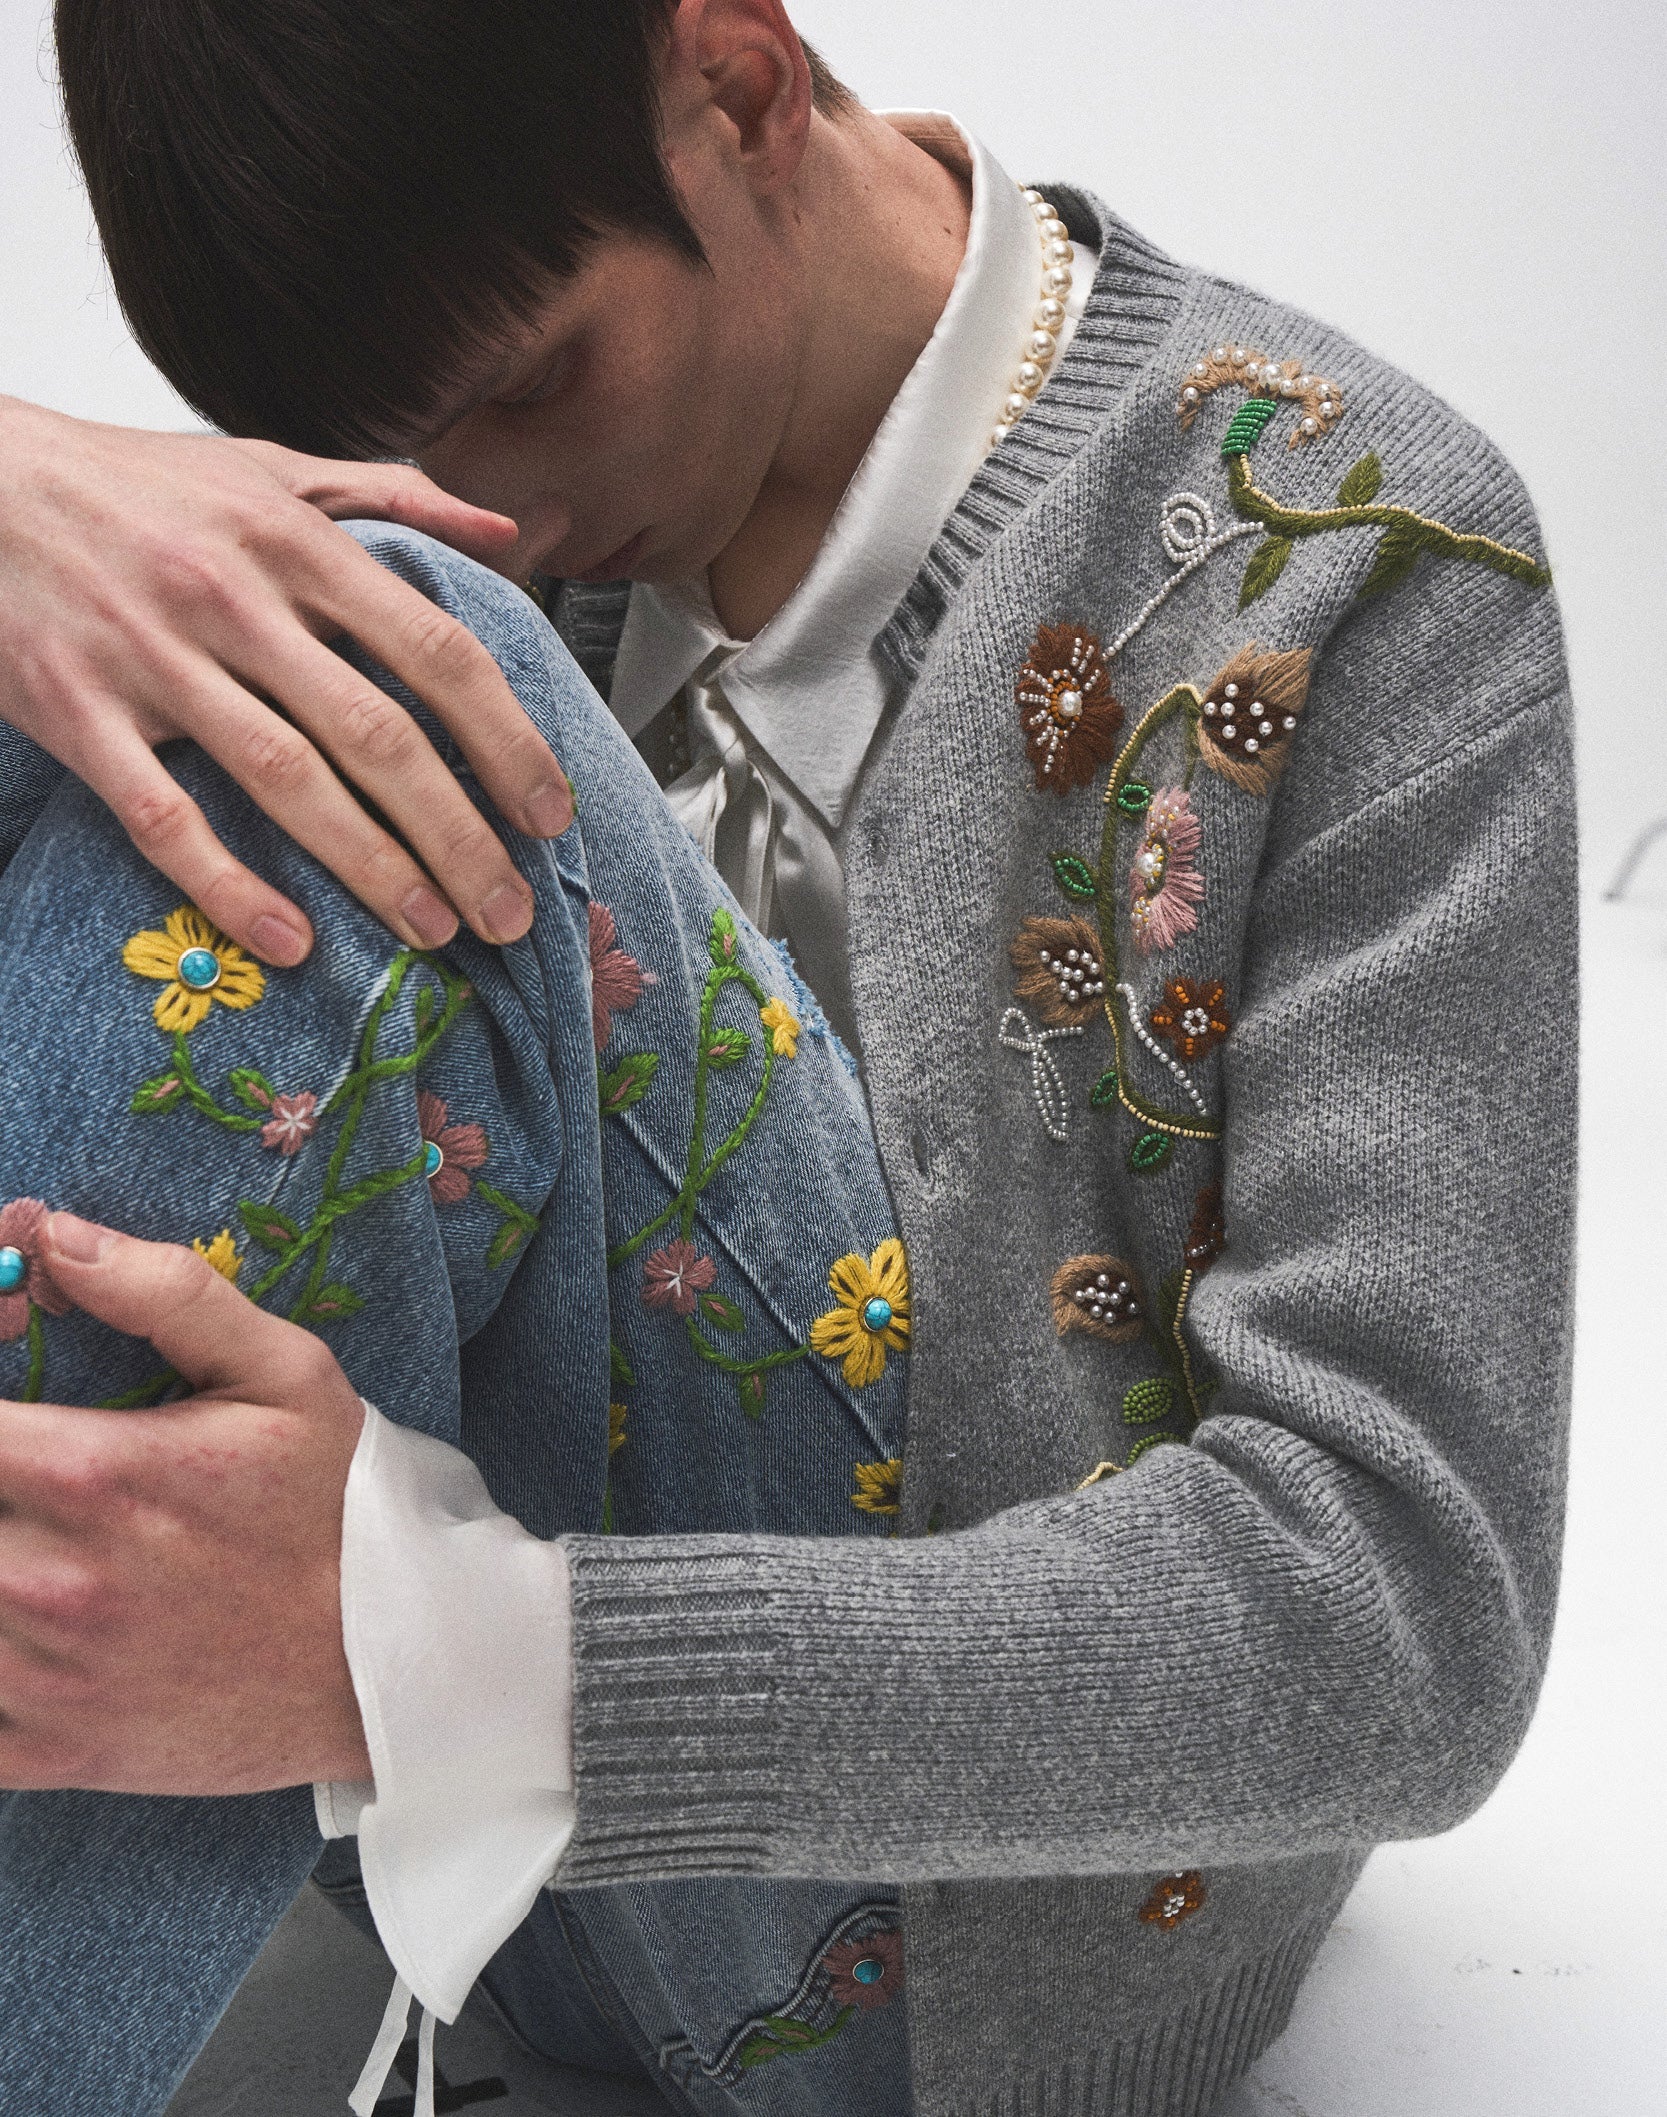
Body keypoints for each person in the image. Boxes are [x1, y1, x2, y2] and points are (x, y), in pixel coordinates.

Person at [0, 3, 1578, 2115]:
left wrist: (436, 1661)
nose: (501, 511)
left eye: (538, 384)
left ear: (738, 85)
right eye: (397, 440)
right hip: (420, 1877)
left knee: (327, 668)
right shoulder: (488, 499)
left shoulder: (1358, 555)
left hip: (977, 1952)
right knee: (143, 644)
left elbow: (1401, 1614)